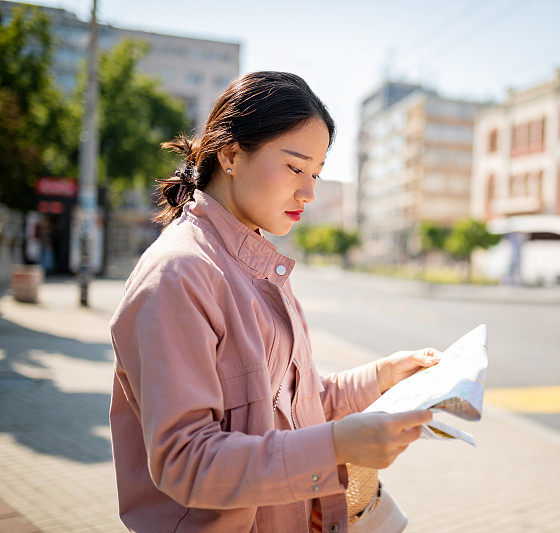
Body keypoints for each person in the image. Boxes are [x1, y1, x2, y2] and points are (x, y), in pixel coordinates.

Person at [109, 71, 441, 532]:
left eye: (316, 173)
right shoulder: (180, 273)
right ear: (229, 154)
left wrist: (383, 376)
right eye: (294, 166)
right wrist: (336, 447)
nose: (308, 192)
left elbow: (297, 405)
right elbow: (186, 462)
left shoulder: (253, 263)